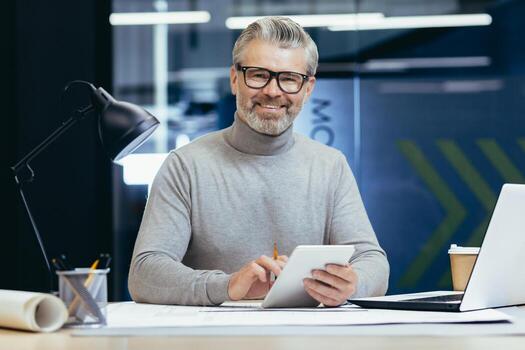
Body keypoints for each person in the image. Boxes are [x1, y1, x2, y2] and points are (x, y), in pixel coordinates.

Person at [128, 16, 389, 307]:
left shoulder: (329, 166)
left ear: (308, 88)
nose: (272, 91)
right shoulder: (185, 165)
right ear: (234, 79)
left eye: (289, 78)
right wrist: (226, 286)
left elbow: (373, 261)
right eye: (258, 74)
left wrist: (354, 283)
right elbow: (144, 273)